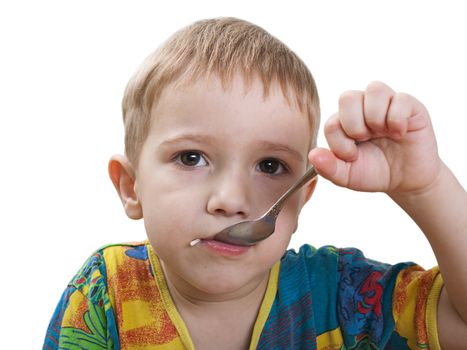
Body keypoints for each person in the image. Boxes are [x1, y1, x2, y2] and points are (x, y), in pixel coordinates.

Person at [43, 17, 467, 349]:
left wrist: (424, 187)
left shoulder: (338, 294)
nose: (231, 200)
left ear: (301, 199)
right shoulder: (103, 296)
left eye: (269, 165)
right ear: (131, 187)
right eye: (191, 158)